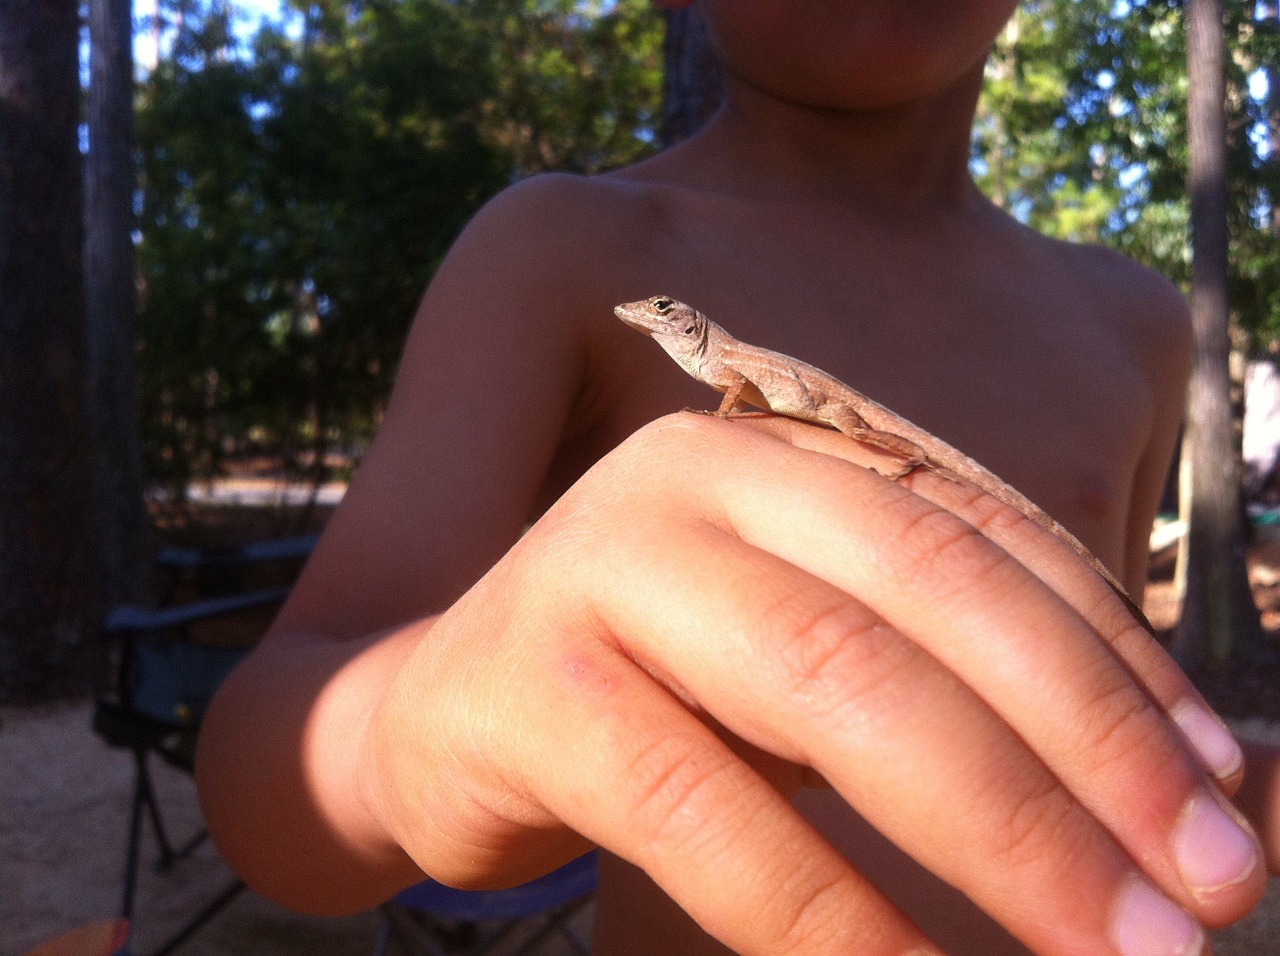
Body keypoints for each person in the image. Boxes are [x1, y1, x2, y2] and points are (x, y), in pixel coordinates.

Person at [196, 2, 1280, 953]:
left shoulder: (1134, 319)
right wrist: (432, 719)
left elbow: (1104, 696)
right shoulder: (558, 248)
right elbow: (258, 778)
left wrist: (1228, 786)